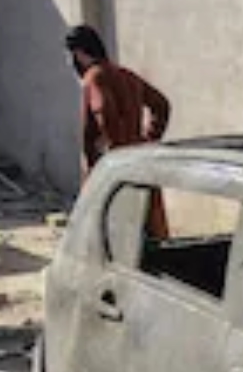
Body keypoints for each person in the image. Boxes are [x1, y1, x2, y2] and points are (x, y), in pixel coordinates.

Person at [67, 25, 173, 236]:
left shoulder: (93, 78)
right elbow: (161, 105)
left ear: (78, 53)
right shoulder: (125, 75)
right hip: (141, 159)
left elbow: (102, 110)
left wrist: (113, 150)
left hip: (115, 169)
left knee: (114, 235)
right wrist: (148, 139)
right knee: (149, 229)